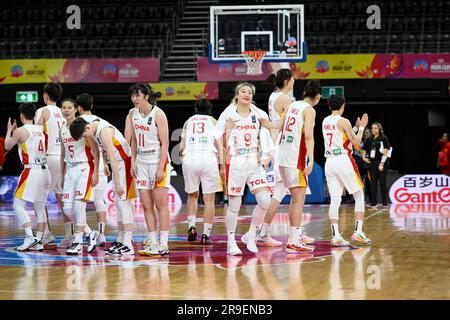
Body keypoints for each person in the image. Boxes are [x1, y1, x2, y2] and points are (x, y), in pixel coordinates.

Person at [258, 68, 315, 247]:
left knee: (281, 192)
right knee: (288, 195)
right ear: (287, 81)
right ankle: (268, 232)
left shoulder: (274, 96)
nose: (294, 82)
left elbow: (276, 124)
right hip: (285, 148)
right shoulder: (286, 100)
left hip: (277, 147)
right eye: (292, 79)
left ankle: (283, 232)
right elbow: (287, 126)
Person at [215, 82, 273, 255]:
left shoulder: (259, 114)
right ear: (237, 94)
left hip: (254, 161)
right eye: (243, 91)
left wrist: (268, 154)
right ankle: (231, 242)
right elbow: (217, 137)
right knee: (234, 204)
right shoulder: (228, 113)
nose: (247, 94)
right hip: (235, 161)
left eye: (250, 92)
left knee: (265, 200)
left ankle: (251, 235)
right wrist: (221, 162)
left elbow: (270, 133)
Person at [70, 116, 137, 256]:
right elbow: (97, 151)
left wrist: (117, 182)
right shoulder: (91, 131)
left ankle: (128, 243)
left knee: (124, 202)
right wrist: (104, 165)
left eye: (83, 135)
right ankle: (121, 239)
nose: (85, 138)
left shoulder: (103, 131)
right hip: (117, 163)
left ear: (87, 128)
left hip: (124, 162)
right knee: (119, 203)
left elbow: (113, 156)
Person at [277, 80, 321, 253]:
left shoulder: (293, 104)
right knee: (298, 200)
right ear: (317, 97)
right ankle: (293, 240)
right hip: (296, 158)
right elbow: (309, 137)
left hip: (283, 155)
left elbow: (279, 127)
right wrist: (311, 159)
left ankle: (295, 236)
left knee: (294, 200)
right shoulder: (309, 110)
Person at [126, 83, 171, 256]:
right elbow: (134, 141)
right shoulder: (132, 114)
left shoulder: (158, 114)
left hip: (158, 161)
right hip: (142, 163)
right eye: (132, 96)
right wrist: (132, 163)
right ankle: (152, 241)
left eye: (137, 95)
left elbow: (165, 143)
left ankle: (163, 243)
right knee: (146, 205)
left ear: (146, 96)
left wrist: (161, 168)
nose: (134, 99)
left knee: (161, 204)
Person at [322, 94, 371, 246]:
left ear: (330, 106)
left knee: (335, 200)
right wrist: (361, 127)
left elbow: (340, 135)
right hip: (343, 160)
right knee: (359, 196)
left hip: (329, 162)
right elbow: (356, 143)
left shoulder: (325, 120)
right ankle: (358, 232)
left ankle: (336, 236)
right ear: (343, 106)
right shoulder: (344, 121)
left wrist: (354, 128)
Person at [4, 103, 51, 251]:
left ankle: (30, 237)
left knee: (17, 205)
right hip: (45, 170)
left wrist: (9, 131)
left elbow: (7, 146)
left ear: (22, 115)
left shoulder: (20, 131)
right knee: (40, 206)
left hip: (32, 170)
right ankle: (39, 240)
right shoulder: (40, 130)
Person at [59, 98, 100, 255]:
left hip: (84, 167)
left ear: (75, 109)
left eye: (69, 107)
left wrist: (96, 171)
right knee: (68, 209)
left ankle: (77, 241)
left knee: (79, 206)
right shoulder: (62, 128)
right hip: (70, 170)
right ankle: (90, 234)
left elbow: (95, 150)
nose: (66, 110)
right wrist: (62, 174)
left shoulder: (82, 125)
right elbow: (63, 153)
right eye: (63, 108)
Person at [180, 99, 223, 245]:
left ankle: (191, 226)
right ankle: (205, 235)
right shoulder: (214, 121)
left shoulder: (188, 121)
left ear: (196, 108)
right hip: (208, 159)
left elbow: (181, 148)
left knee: (192, 196)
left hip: (190, 158)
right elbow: (220, 146)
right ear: (210, 109)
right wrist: (222, 166)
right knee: (209, 199)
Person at [35, 83, 67, 245]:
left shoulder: (42, 111)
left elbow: (36, 136)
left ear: (46, 95)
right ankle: (71, 234)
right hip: (64, 158)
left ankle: (46, 234)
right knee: (63, 198)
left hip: (48, 158)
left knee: (38, 198)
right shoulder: (65, 112)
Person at [76, 94, 109, 246]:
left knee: (79, 203)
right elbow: (103, 145)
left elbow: (93, 148)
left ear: (78, 108)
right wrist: (106, 164)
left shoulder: (79, 123)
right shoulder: (99, 121)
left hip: (87, 166)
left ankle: (83, 234)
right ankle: (101, 235)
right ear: (92, 104)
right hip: (101, 164)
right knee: (99, 200)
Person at [367, 122, 391, 209]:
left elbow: (386, 150)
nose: (374, 130)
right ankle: (374, 203)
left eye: (375, 128)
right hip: (372, 163)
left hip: (382, 162)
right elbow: (365, 149)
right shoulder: (370, 139)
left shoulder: (383, 138)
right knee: (373, 183)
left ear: (379, 129)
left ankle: (385, 203)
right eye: (372, 128)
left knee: (382, 183)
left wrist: (382, 163)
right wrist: (364, 157)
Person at [360, 127, 373, 203]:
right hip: (360, 163)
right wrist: (362, 156)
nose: (365, 134)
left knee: (369, 181)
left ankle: (371, 198)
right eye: (364, 133)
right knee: (361, 181)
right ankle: (362, 199)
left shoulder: (372, 141)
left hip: (369, 163)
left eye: (367, 132)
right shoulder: (360, 141)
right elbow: (357, 151)